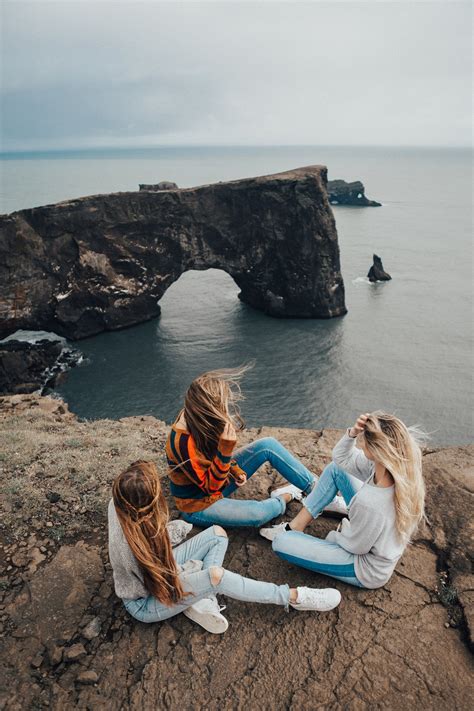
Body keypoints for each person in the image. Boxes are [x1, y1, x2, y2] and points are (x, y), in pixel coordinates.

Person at [108, 461, 342, 635]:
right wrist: (192, 573)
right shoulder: (135, 549)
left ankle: (202, 600)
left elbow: (160, 551)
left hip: (161, 568)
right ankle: (292, 596)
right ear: (146, 508)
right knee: (215, 576)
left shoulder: (119, 503)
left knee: (218, 534)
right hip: (147, 600)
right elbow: (161, 582)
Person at [260, 412, 425, 590]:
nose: (360, 445)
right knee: (336, 469)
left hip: (366, 568)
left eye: (363, 440)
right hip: (371, 535)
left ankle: (300, 529)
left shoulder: (370, 502)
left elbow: (356, 547)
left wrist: (336, 535)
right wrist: (352, 433)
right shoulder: (392, 471)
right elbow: (341, 459)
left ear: (375, 449)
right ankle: (296, 526)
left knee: (282, 542)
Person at [166, 367, 347, 529]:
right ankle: (286, 496)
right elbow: (211, 487)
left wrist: (235, 469)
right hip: (197, 504)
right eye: (221, 406)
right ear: (207, 409)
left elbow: (212, 457)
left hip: (214, 480)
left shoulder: (196, 417)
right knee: (257, 515)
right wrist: (226, 449)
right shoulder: (181, 442)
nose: (225, 410)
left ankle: (318, 493)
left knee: (267, 445)